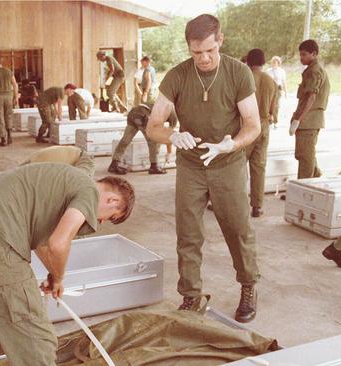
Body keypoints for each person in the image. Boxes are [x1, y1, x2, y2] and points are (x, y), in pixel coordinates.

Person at [145, 14, 262, 323]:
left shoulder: (239, 73)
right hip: (191, 166)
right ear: (189, 48)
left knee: (237, 228)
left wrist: (230, 145)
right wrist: (173, 134)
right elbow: (153, 126)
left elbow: (253, 125)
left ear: (220, 41)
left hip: (227, 163)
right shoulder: (177, 76)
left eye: (210, 50)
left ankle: (248, 286)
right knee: (188, 233)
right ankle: (191, 295)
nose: (204, 58)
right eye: (196, 52)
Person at [0, 164, 134, 365]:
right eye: (111, 217)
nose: (101, 222)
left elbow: (41, 243)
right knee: (35, 333)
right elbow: (58, 244)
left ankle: (3, 361)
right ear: (112, 200)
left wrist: (53, 275)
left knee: (6, 315)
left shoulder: (70, 181)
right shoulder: (89, 192)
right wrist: (59, 277)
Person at [289, 39, 330, 180]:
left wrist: (298, 120)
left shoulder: (315, 71)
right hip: (308, 120)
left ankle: (303, 190)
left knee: (305, 158)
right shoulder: (311, 70)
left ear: (314, 53)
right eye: (300, 55)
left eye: (304, 55)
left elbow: (311, 98)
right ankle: (316, 181)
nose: (301, 58)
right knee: (307, 155)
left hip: (309, 121)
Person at [245, 49, 276, 218]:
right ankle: (257, 206)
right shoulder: (270, 81)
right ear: (263, 62)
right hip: (264, 126)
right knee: (259, 167)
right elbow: (273, 111)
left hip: (246, 126)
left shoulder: (245, 77)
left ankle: (231, 203)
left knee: (235, 165)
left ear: (248, 62)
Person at [110, 104, 177, 175]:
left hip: (133, 112)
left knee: (126, 140)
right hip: (142, 114)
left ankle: (114, 164)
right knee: (153, 140)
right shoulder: (173, 115)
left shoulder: (166, 107)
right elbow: (169, 135)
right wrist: (169, 152)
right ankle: (154, 166)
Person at [21, 145, 95, 176]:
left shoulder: (37, 159)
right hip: (78, 154)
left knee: (82, 178)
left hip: (81, 156)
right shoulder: (39, 162)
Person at [266, 56, 287, 127]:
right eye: (273, 62)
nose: (274, 63)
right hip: (270, 89)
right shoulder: (268, 71)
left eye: (276, 62)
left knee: (276, 105)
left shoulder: (281, 71)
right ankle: (270, 119)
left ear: (278, 63)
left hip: (278, 89)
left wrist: (285, 91)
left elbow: (284, 82)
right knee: (269, 104)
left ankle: (275, 122)